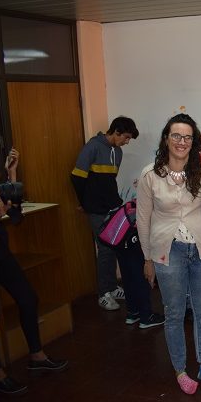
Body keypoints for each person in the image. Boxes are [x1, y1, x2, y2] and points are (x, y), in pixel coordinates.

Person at [136, 113, 201, 395]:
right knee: (174, 313)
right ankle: (180, 370)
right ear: (166, 139)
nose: (181, 142)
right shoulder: (151, 174)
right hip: (167, 251)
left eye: (187, 137)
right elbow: (143, 218)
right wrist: (147, 258)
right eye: (176, 136)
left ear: (193, 141)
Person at [0, 149, 67, 395]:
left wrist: (11, 174)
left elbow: (16, 216)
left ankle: (36, 355)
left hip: (0, 252)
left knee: (28, 298)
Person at [71, 116, 139, 310]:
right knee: (105, 249)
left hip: (113, 207)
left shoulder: (117, 153)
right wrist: (84, 203)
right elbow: (76, 178)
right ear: (116, 132)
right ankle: (103, 294)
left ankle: (111, 287)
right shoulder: (92, 147)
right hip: (96, 209)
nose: (126, 142)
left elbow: (109, 182)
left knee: (115, 247)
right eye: (125, 137)